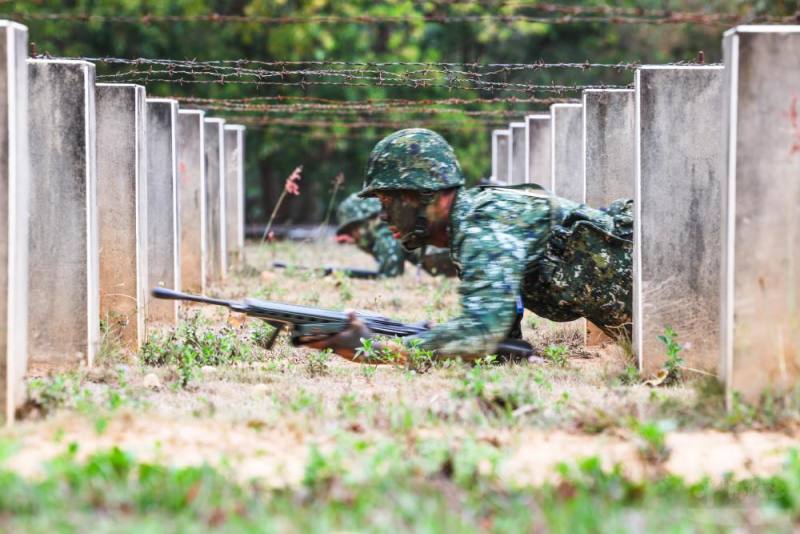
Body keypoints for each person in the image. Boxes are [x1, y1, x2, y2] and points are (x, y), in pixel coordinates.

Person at [304, 128, 632, 362]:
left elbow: (480, 333)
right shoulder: (468, 228)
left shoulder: (482, 225)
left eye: (389, 200)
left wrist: (377, 349)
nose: (383, 214)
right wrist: (423, 337)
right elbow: (501, 341)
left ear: (426, 197)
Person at [335, 192, 458, 278]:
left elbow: (391, 273)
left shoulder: (385, 227)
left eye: (353, 229)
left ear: (366, 220)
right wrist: (360, 242)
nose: (354, 234)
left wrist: (362, 243)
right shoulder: (392, 222)